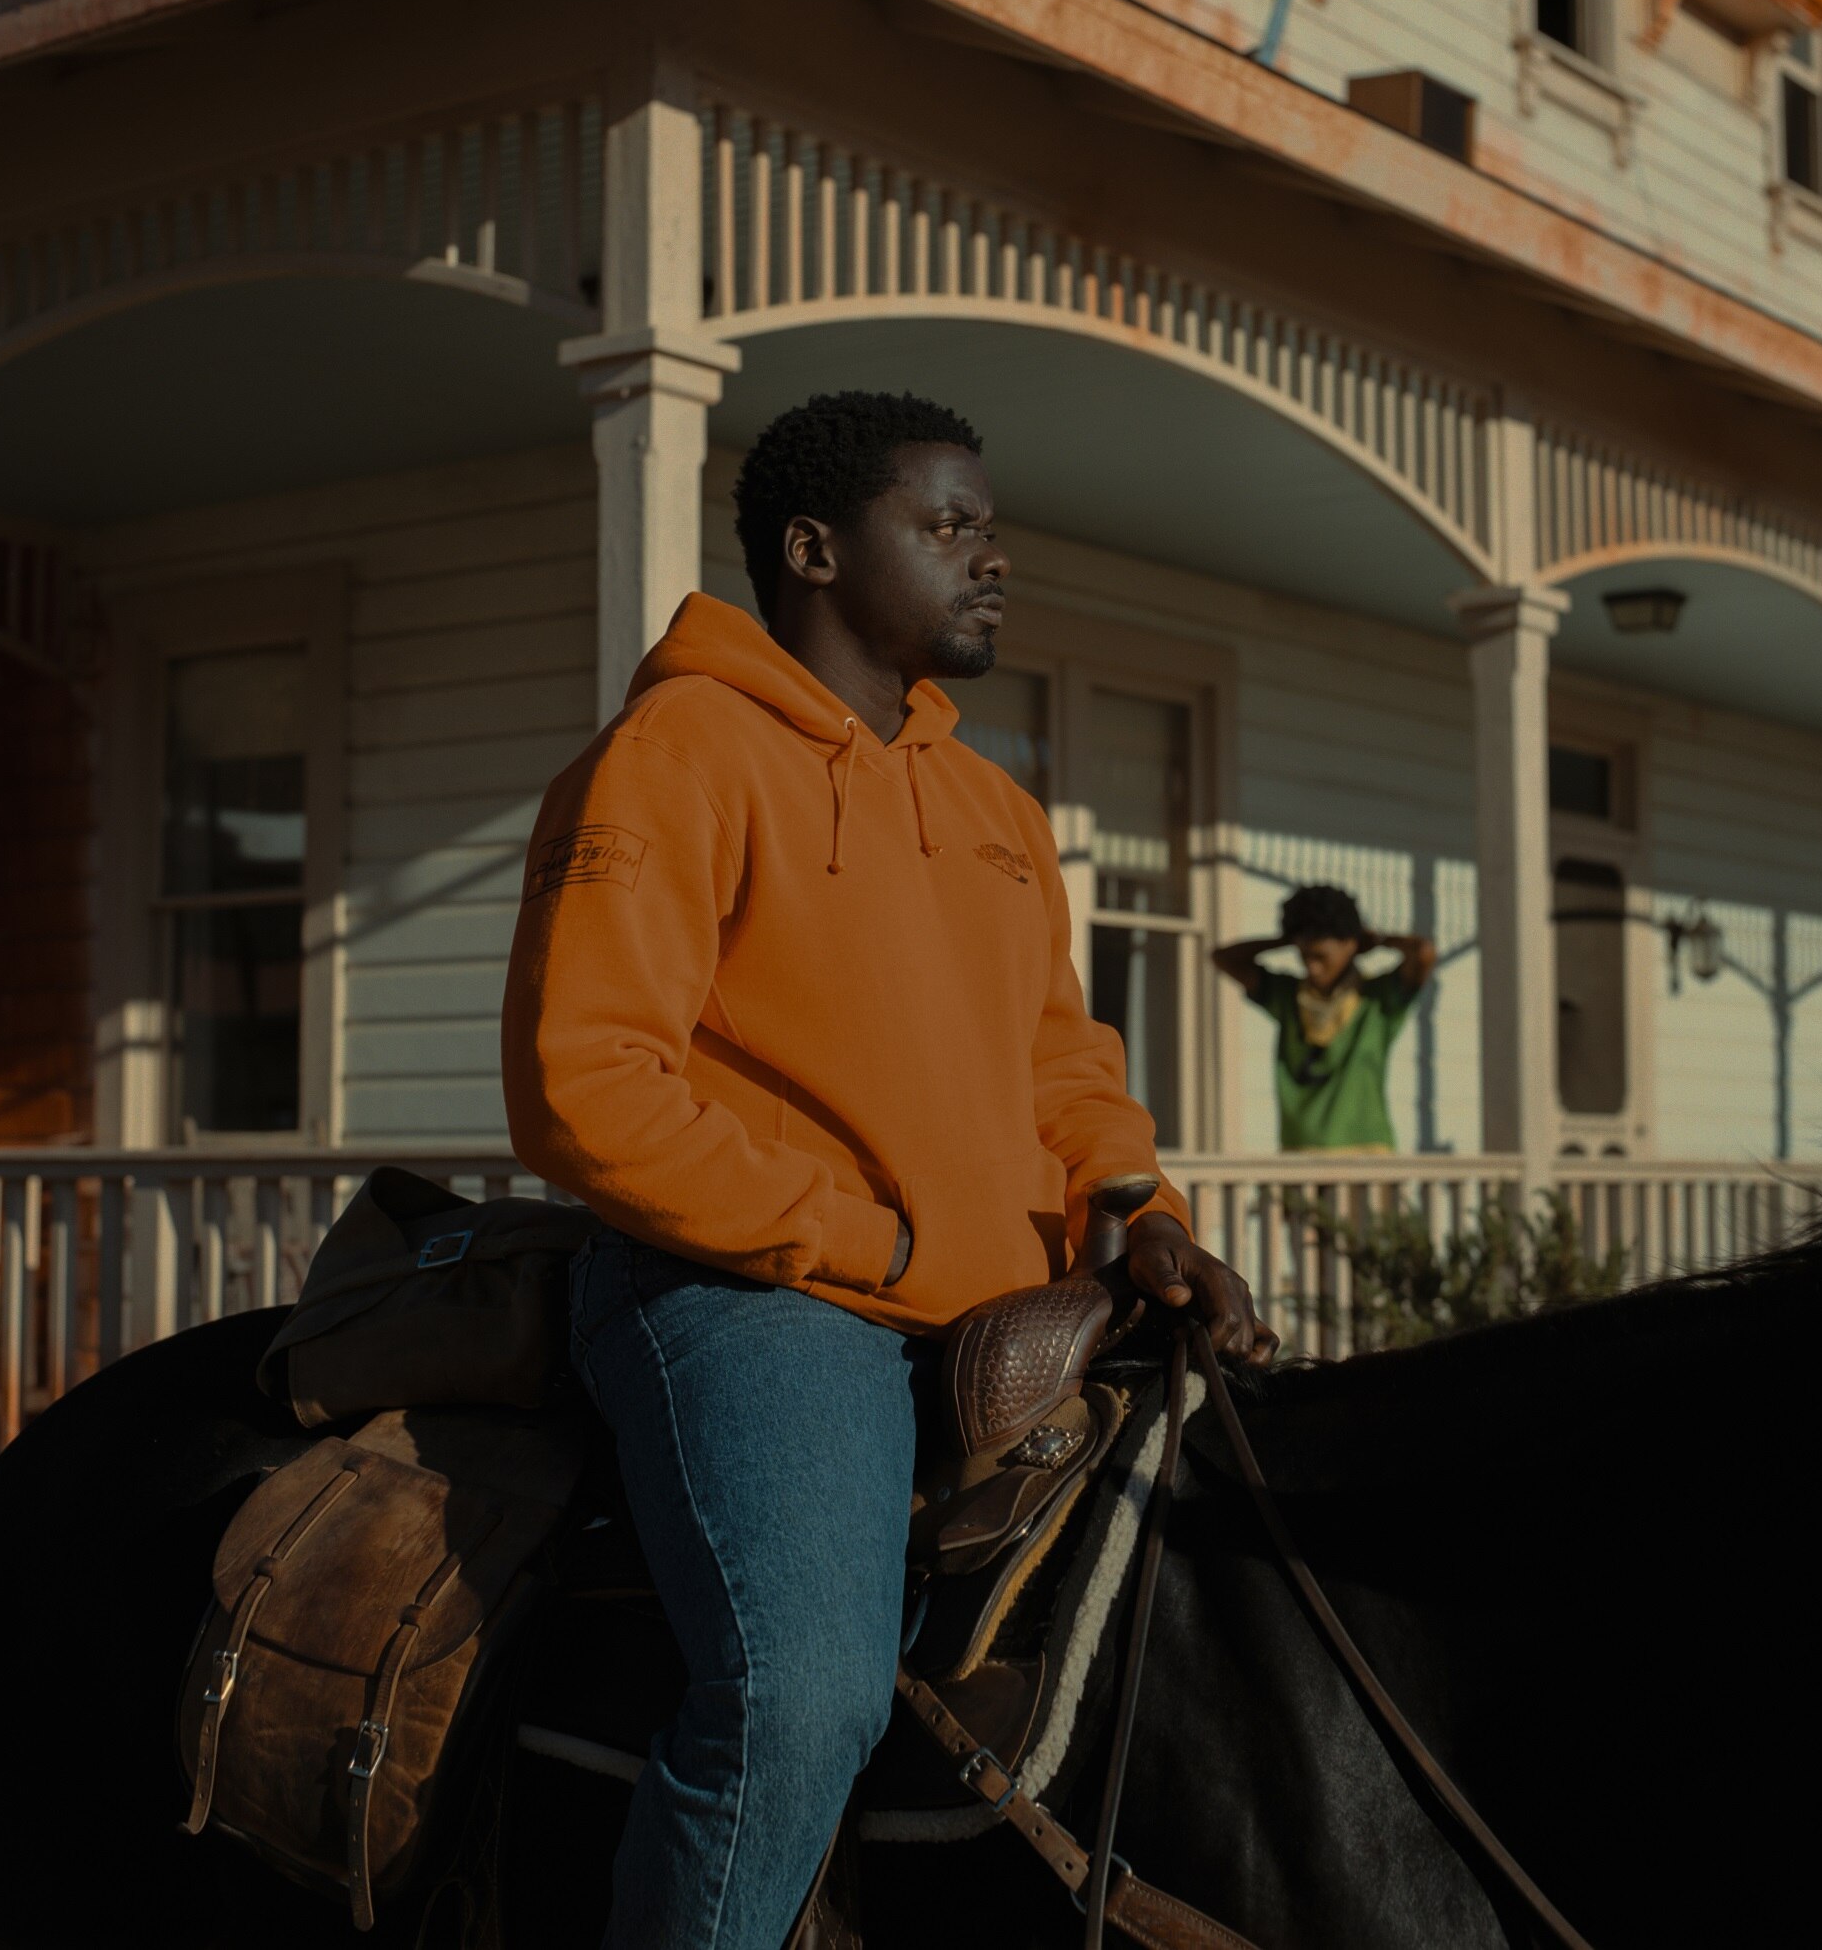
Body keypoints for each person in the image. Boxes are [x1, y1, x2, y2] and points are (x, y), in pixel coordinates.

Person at [502, 389, 1276, 1950]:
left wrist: (1140, 1217)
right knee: (803, 1702)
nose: (991, 560)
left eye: (987, 528)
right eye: (946, 528)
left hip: (1008, 1307)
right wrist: (870, 1237)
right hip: (754, 1303)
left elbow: (1059, 1066)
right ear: (812, 550)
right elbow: (582, 1088)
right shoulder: (676, 754)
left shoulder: (992, 807)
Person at [1213, 884, 1440, 1155]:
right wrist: (1287, 938)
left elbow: (1424, 952)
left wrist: (1377, 940)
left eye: (1321, 956)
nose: (1311, 966)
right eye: (1304, 955)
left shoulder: (1378, 999)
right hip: (1300, 1153)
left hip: (1366, 1153)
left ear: (1351, 945)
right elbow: (1223, 958)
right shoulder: (1288, 996)